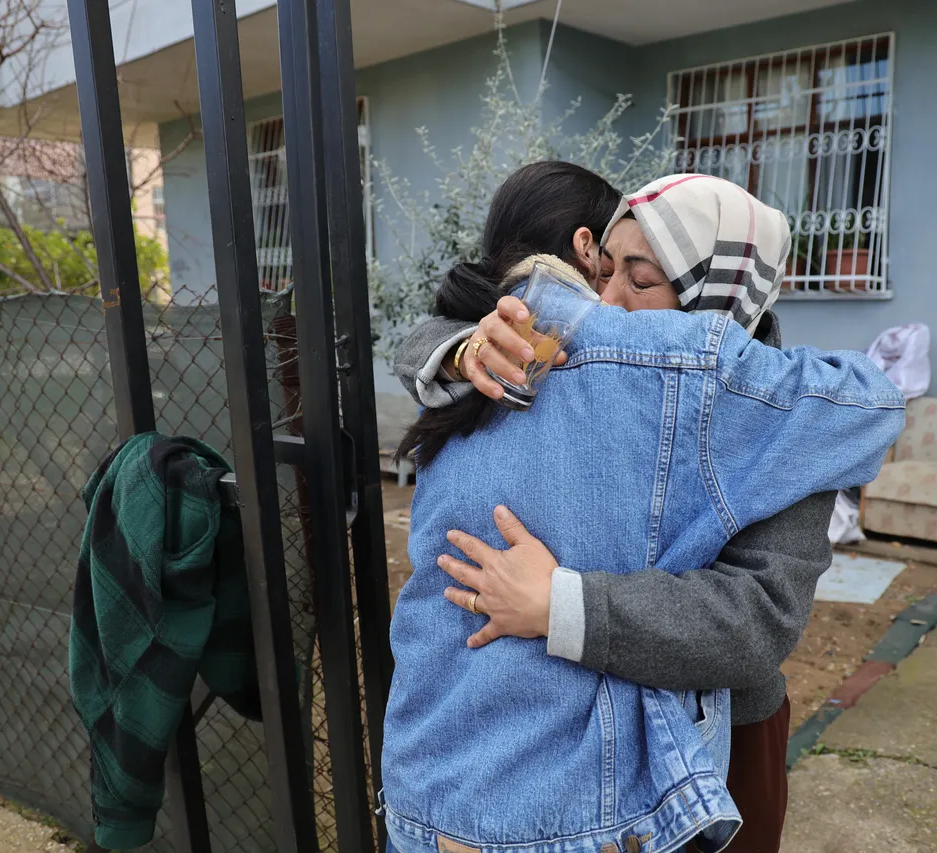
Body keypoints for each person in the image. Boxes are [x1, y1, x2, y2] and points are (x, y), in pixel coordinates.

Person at [380, 167, 905, 853]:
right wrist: (454, 349)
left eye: (640, 278)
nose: (606, 301)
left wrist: (560, 603)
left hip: (720, 746)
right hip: (578, 773)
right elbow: (436, 337)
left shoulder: (783, 436)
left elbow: (753, 625)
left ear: (709, 293)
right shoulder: (554, 370)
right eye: (603, 271)